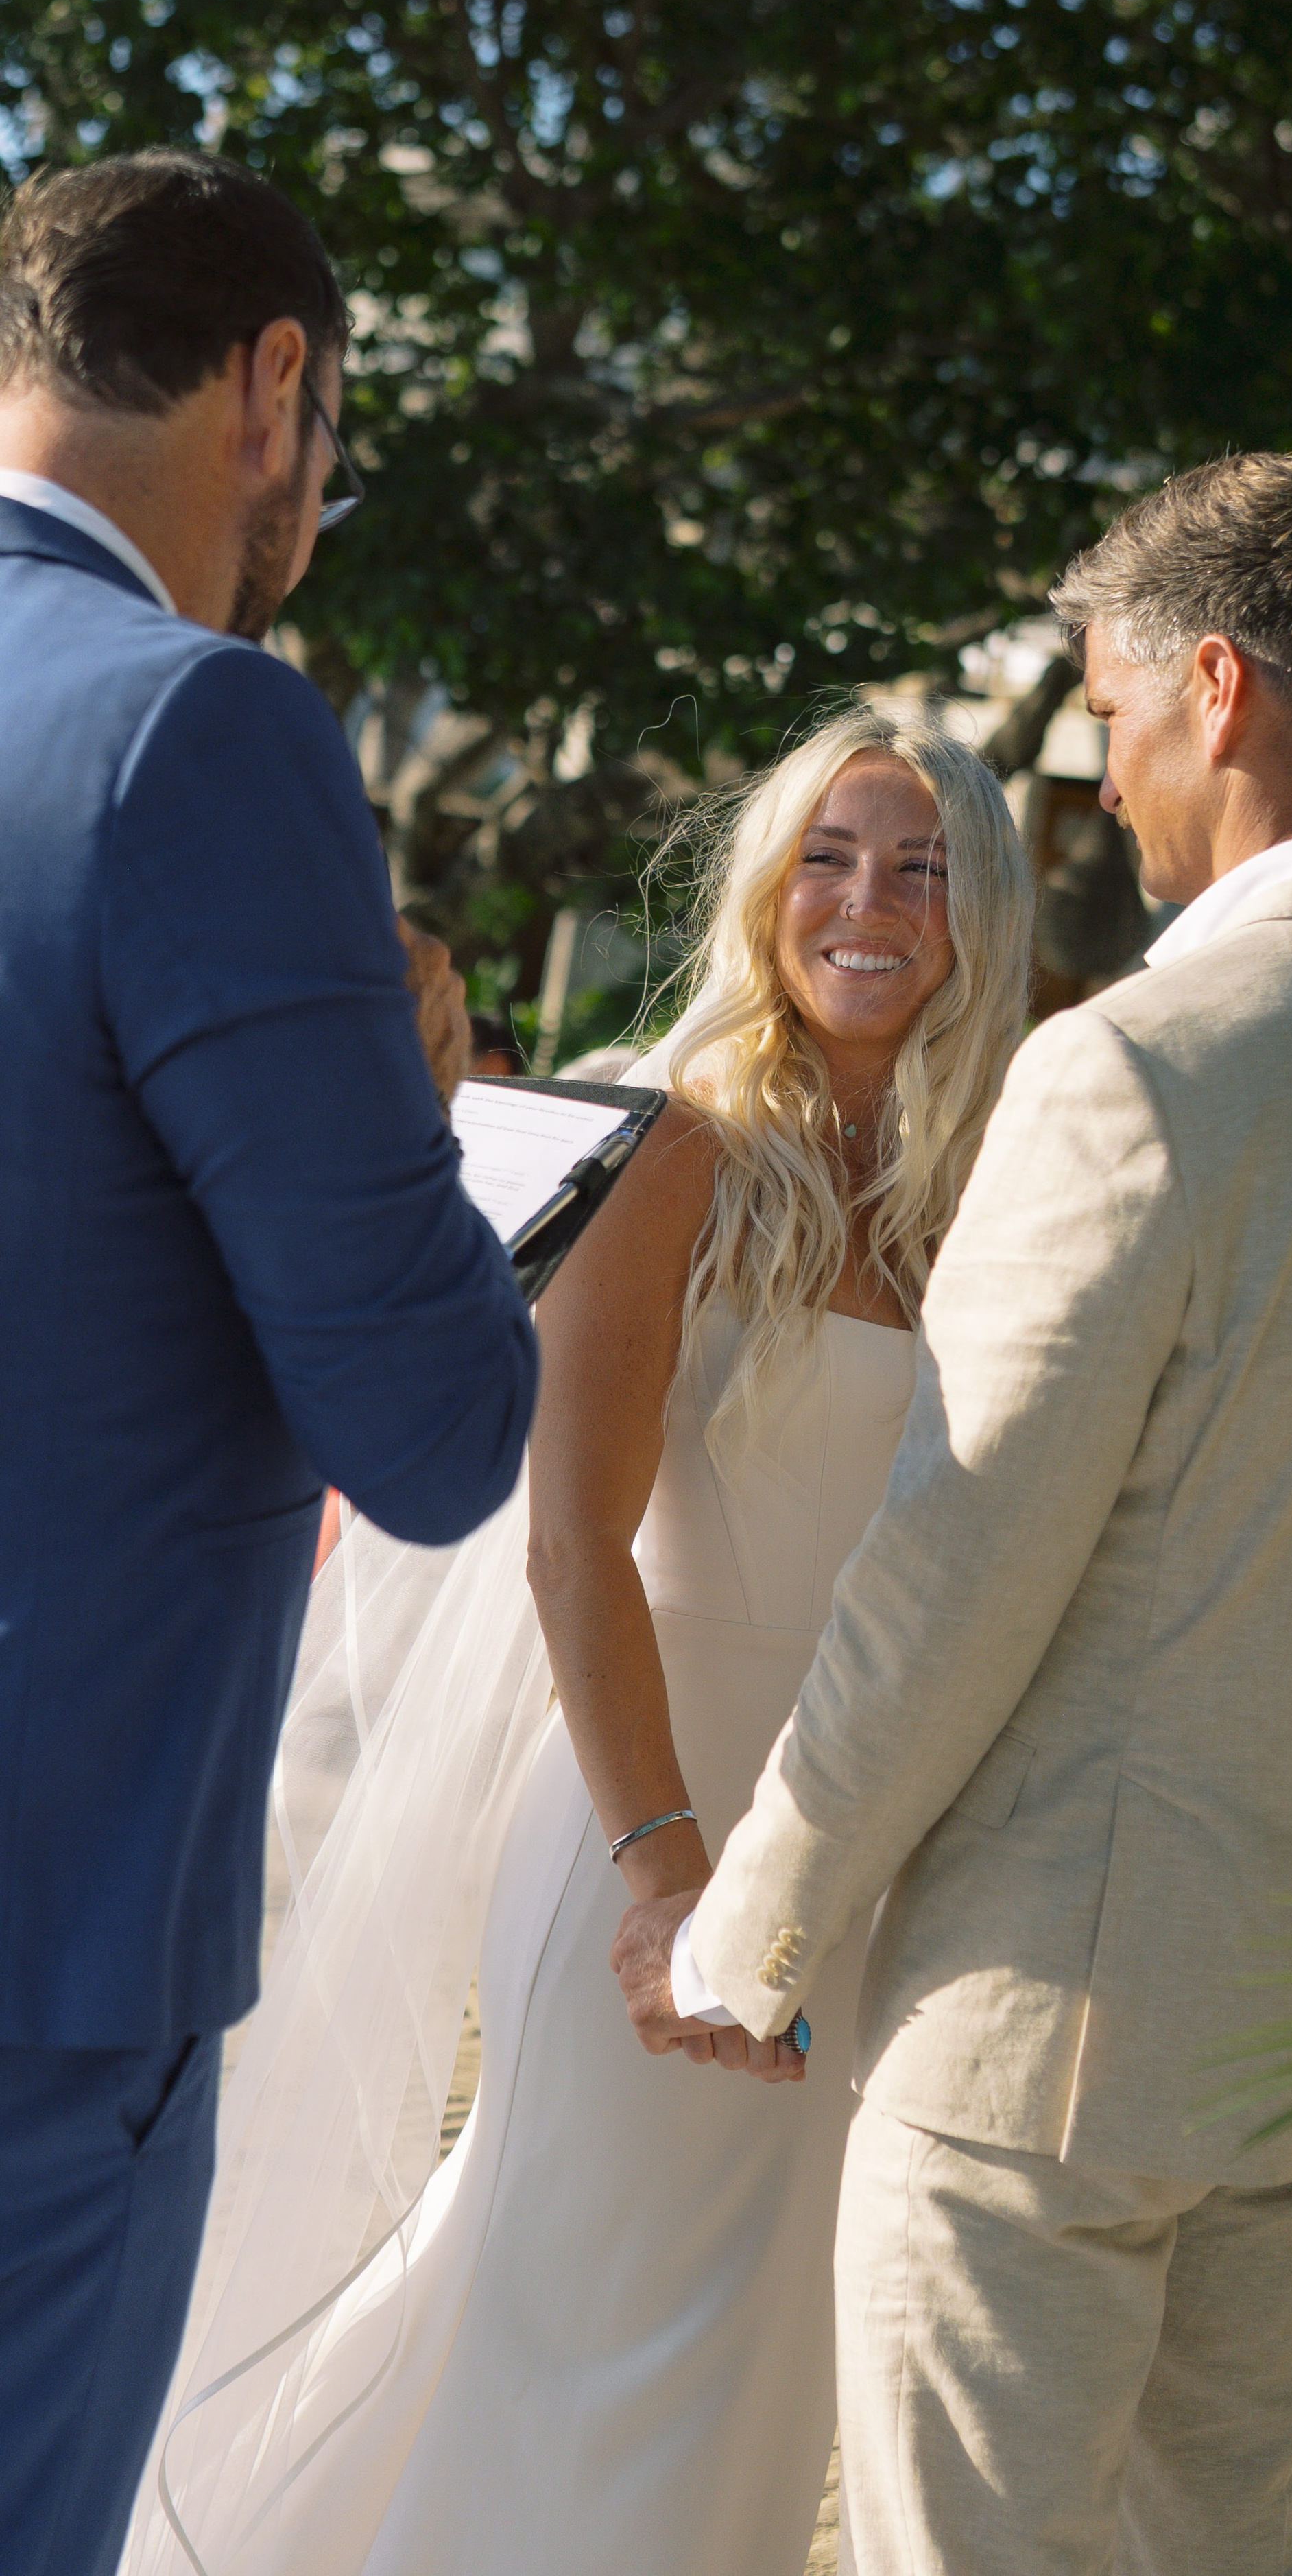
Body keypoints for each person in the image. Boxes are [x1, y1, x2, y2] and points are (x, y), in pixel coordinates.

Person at [614, 447, 1292, 2576]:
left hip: (1037, 2045)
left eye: (1115, 705)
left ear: (1223, 688)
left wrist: (755, 1922)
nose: (1112, 767)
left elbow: (953, 1578)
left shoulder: (1140, 1071)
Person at [121, 704, 1034, 2576]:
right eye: (832, 859)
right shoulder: (678, 1153)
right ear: (770, 891)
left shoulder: (993, 1199)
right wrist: (668, 1878)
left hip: (845, 1860)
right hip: (651, 1811)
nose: (870, 903)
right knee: (591, 2332)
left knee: (741, 2359)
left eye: (923, 866)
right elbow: (567, 1546)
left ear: (984, 914)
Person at [0, 150, 538, 2576]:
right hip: (48, 1938)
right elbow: (431, 1435)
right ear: (276, 389)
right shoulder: (200, 737)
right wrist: (411, 1133)